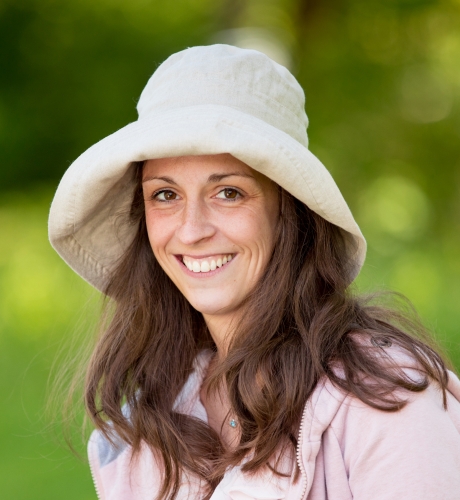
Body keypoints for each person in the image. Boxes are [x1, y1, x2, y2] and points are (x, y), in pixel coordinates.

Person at [48, 45, 460, 500]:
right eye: (165, 195)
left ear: (289, 210)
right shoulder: (154, 416)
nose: (192, 230)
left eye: (228, 192)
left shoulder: (385, 399)